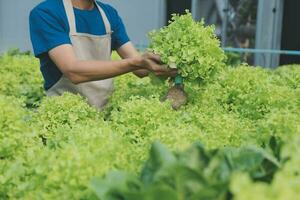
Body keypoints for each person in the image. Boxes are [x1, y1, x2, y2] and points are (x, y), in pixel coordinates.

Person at [29, 0, 176, 109]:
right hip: (65, 113)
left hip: (105, 112)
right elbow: (73, 71)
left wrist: (170, 64)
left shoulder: (109, 14)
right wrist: (139, 62)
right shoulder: (47, 13)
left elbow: (141, 69)